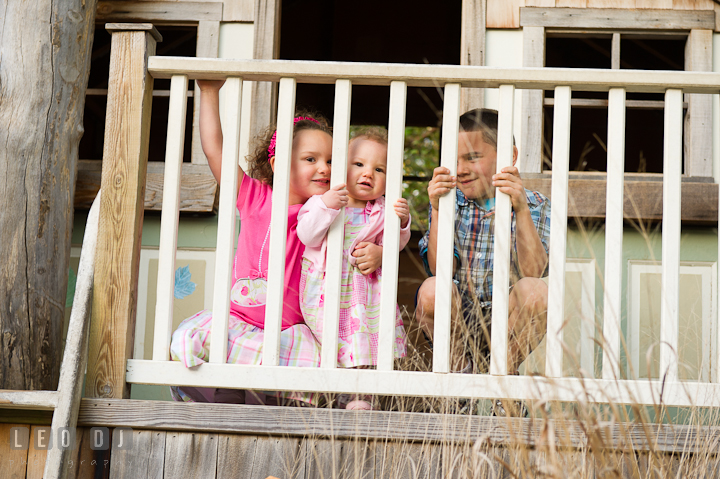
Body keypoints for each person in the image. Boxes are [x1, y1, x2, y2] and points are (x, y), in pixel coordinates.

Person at [168, 79, 332, 406]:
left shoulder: (325, 214)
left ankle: (270, 420)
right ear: (278, 163)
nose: (324, 168)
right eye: (311, 159)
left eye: (329, 160)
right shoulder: (254, 196)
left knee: (297, 380)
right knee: (200, 353)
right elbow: (215, 148)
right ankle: (226, 407)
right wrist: (210, 92)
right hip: (239, 320)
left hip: (290, 328)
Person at [415, 108, 551, 413]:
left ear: (509, 156)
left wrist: (521, 211)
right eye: (454, 159)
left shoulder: (535, 205)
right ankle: (461, 383)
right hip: (461, 316)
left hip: (507, 318)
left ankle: (504, 377)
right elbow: (440, 270)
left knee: (537, 292)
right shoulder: (451, 202)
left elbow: (534, 271)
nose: (460, 169)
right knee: (431, 290)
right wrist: (438, 209)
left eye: (472, 157)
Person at [297, 128, 410, 410]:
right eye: (358, 164)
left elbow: (397, 241)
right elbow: (307, 235)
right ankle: (333, 395)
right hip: (328, 288)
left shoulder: (384, 209)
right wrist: (328, 206)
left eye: (379, 169)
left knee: (365, 340)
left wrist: (383, 250)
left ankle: (362, 396)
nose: (368, 173)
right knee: (332, 340)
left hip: (367, 291)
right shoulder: (324, 200)